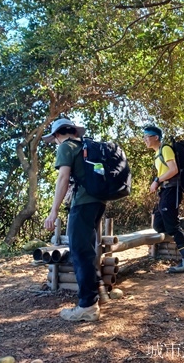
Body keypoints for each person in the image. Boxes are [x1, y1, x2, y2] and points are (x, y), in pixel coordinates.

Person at [42, 118, 106, 321]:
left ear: (57, 135)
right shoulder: (86, 145)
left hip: (83, 204)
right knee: (87, 249)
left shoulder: (66, 147)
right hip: (98, 202)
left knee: (79, 252)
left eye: (53, 140)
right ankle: (97, 296)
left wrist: (53, 212)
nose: (54, 143)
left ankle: (87, 305)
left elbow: (62, 178)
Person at [143, 125, 184, 273]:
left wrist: (157, 180)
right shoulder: (157, 154)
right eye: (144, 136)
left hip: (172, 189)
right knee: (159, 225)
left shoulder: (165, 149)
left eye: (147, 136)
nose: (145, 139)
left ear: (156, 137)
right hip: (165, 191)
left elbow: (174, 170)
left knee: (172, 227)